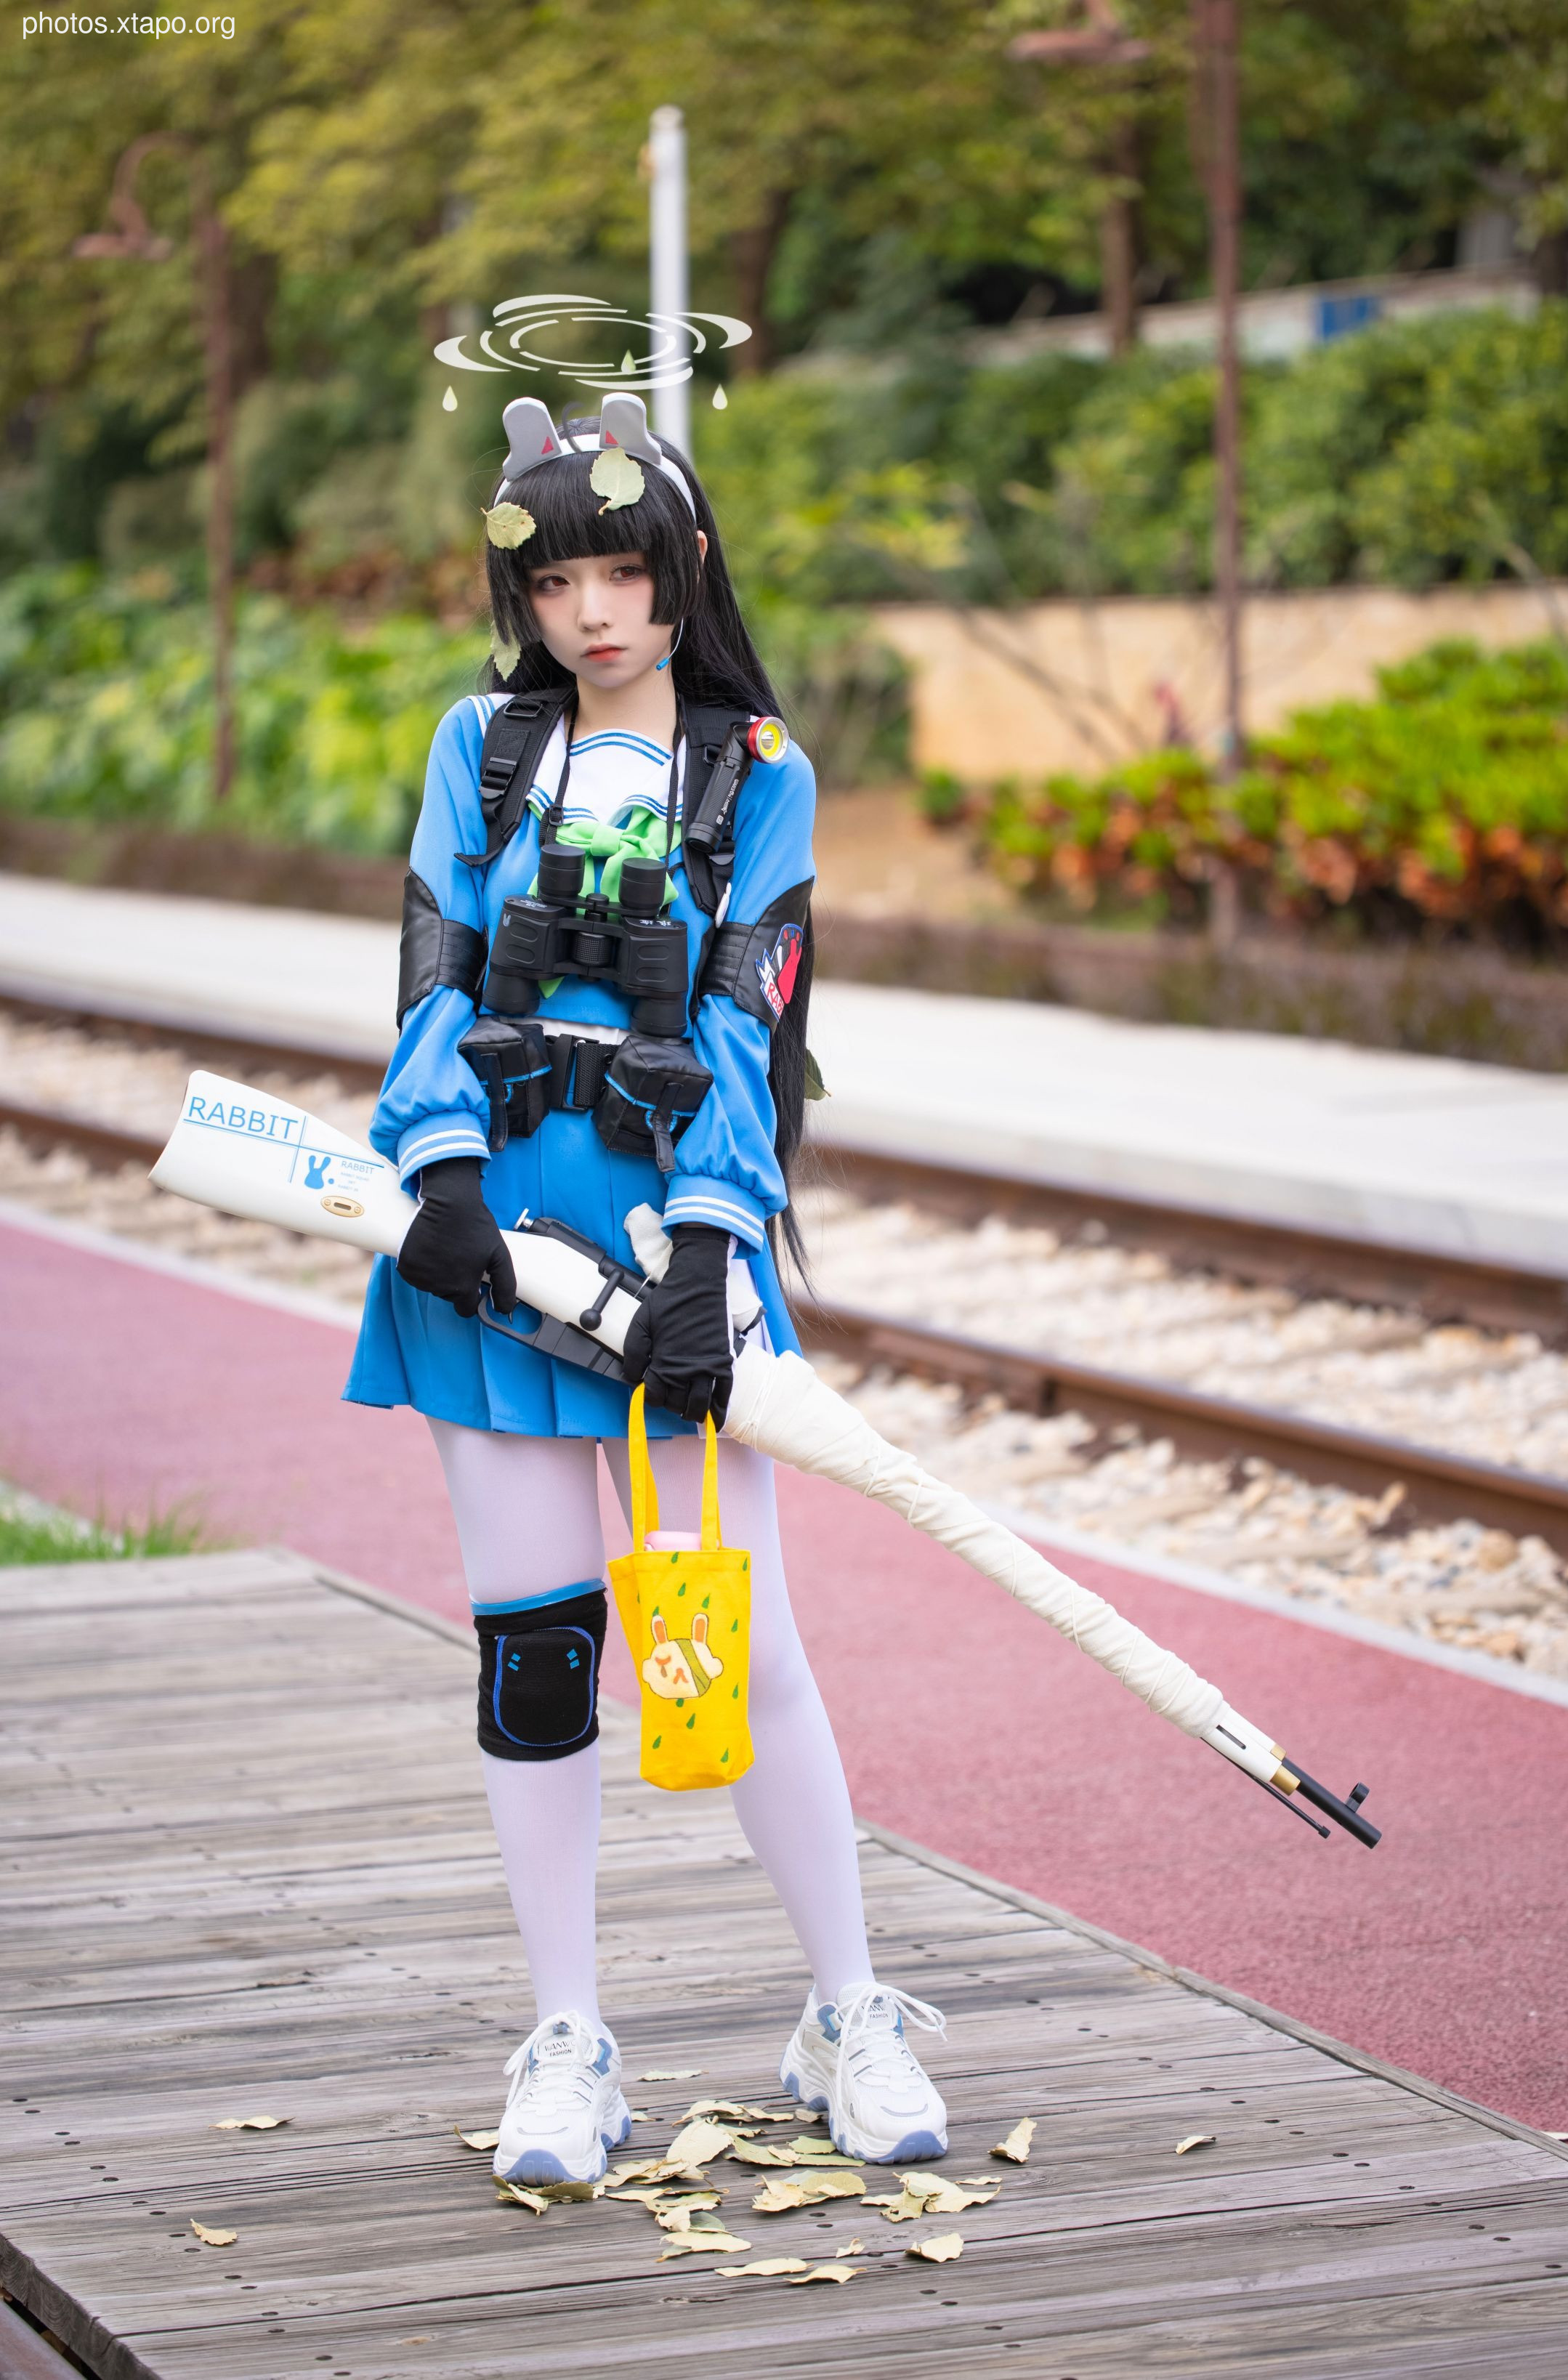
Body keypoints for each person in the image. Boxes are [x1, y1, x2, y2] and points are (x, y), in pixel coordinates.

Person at [344, 393, 947, 2186]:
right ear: (519, 595)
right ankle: (566, 2039)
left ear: (684, 571)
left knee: (738, 1646)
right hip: (485, 1249)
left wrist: (709, 1251)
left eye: (627, 569)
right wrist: (438, 1171)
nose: (596, 610)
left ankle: (847, 2006)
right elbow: (433, 969)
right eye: (559, 579)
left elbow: (752, 1025)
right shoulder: (484, 745)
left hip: (671, 1263)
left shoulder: (761, 768)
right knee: (540, 1655)